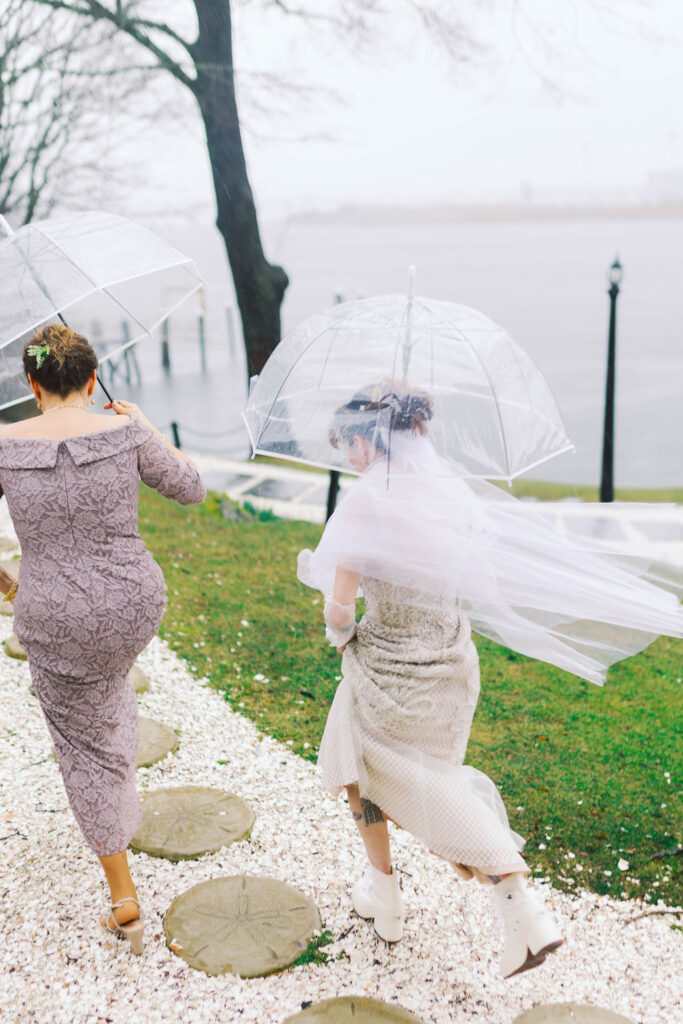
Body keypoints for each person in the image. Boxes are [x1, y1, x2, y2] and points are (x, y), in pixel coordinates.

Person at [297, 383, 683, 978]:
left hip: (390, 668)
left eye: (348, 444)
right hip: (451, 664)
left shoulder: (367, 502)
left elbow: (340, 608)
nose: (348, 458)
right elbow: (472, 581)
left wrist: (339, 635)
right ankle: (384, 893)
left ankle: (518, 904)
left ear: (365, 438)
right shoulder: (449, 494)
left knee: (420, 785)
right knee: (356, 758)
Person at [0, 324, 206, 956]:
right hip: (134, 605)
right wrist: (143, 424)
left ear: (33, 385)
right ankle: (118, 762)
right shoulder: (125, 430)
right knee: (107, 691)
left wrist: (8, 584)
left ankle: (123, 903)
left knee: (80, 745)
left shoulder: (2, 444)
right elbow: (191, 488)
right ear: (90, 382)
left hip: (56, 615)